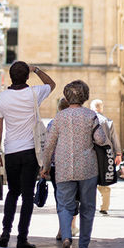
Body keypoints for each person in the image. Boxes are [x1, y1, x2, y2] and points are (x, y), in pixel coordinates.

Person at [41, 80, 107, 248]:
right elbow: (100, 139)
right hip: (87, 167)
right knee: (87, 207)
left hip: (62, 167)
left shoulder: (59, 118)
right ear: (85, 96)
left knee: (64, 205)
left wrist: (45, 167)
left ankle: (67, 237)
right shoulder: (90, 115)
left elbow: (49, 146)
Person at [0, 61, 55, 248]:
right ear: (27, 76)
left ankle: (5, 233)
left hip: (11, 151)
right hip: (30, 151)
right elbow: (51, 84)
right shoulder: (34, 93)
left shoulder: (1, 98)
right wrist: (35, 69)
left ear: (11, 77)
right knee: (28, 195)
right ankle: (22, 238)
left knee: (12, 192)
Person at [47, 97, 79, 240]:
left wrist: (45, 165)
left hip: (57, 166)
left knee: (60, 197)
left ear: (59, 108)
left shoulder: (52, 124)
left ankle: (62, 229)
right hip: (75, 165)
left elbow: (48, 147)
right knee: (74, 196)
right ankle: (71, 226)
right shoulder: (80, 123)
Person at [90, 99, 122, 215]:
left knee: (90, 180)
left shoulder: (89, 120)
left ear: (92, 108)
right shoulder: (108, 122)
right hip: (106, 153)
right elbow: (114, 139)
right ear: (101, 108)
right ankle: (104, 207)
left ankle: (89, 205)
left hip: (91, 153)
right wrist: (118, 154)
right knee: (104, 179)